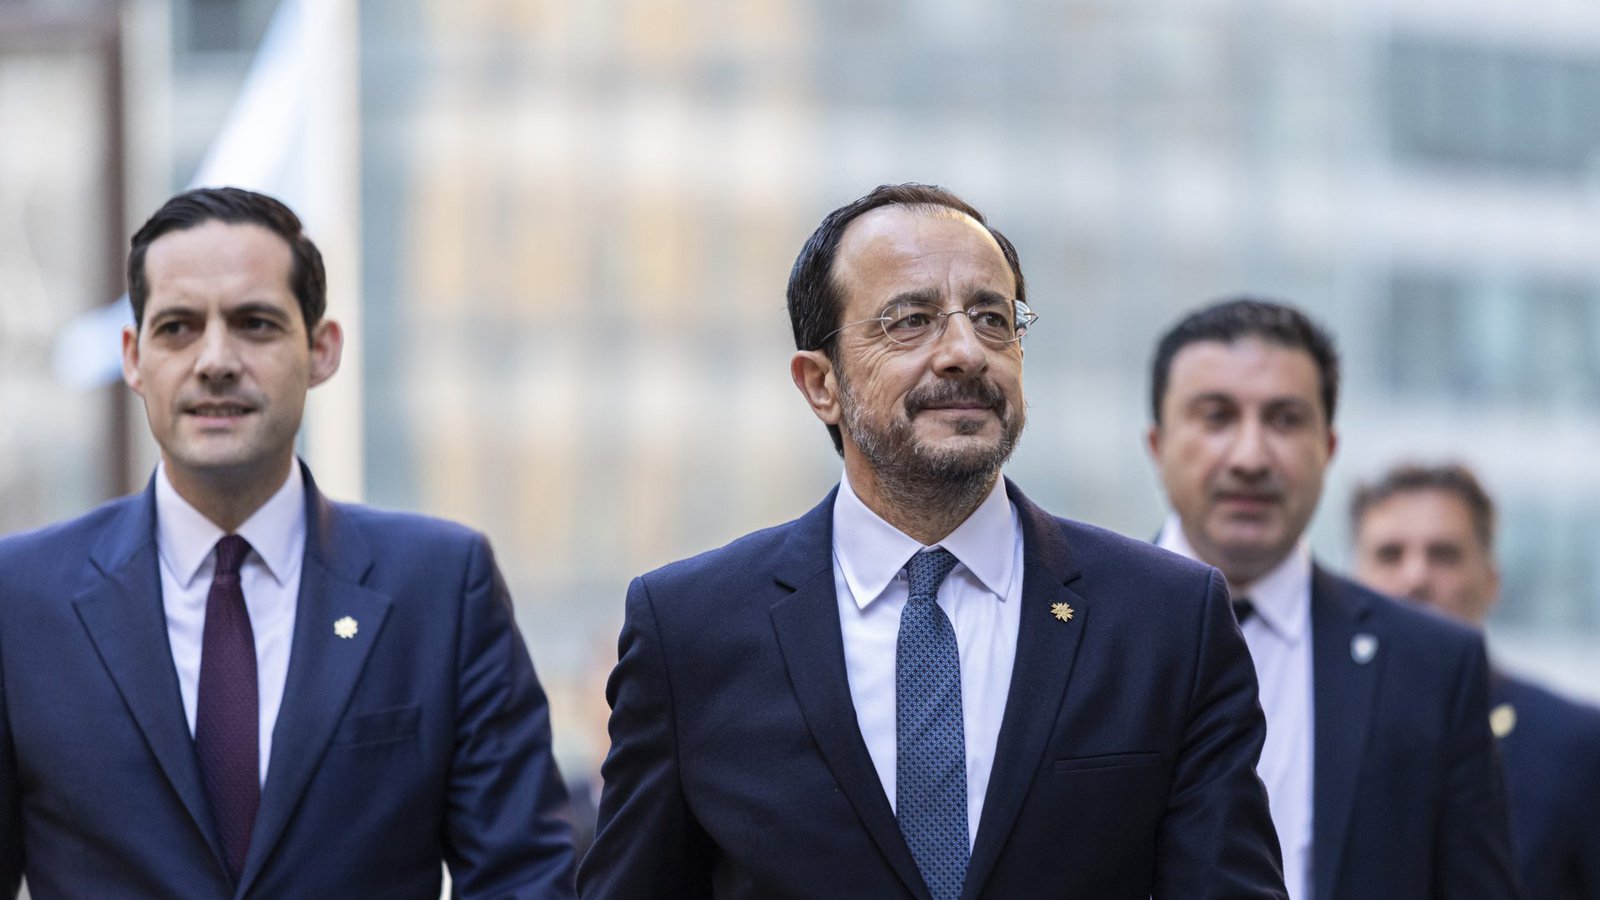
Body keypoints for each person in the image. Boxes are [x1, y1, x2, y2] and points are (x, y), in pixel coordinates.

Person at [579, 184, 1286, 899]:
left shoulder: (1166, 618)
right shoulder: (690, 629)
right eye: (911, 321)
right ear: (820, 383)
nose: (965, 352)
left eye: (992, 319)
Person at [0, 187, 575, 898]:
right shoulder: (22, 600)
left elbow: (524, 877)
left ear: (322, 349)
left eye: (255, 324)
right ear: (133, 357)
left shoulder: (441, 587)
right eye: (178, 327)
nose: (215, 360)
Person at [1145, 297, 1520, 900]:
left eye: (1285, 419)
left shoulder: (1433, 666)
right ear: (1157, 443)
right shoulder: (1080, 634)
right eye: (1216, 417)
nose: (1250, 457)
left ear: (1329, 447)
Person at [1351, 462, 1600, 900]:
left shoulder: (1574, 746)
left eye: (1443, 555)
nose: (1415, 578)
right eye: (1390, 555)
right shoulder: (1310, 725)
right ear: (1353, 583)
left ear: (1491, 581)